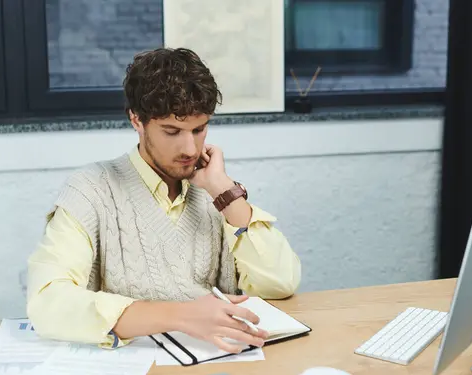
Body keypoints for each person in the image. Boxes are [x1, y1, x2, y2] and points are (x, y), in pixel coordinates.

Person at [26, 48, 302, 353]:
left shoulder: (216, 192)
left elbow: (281, 283)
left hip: (217, 357)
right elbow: (47, 302)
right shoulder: (90, 189)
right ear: (136, 120)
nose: (190, 148)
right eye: (172, 131)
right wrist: (180, 316)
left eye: (199, 129)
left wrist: (224, 191)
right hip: (132, 370)